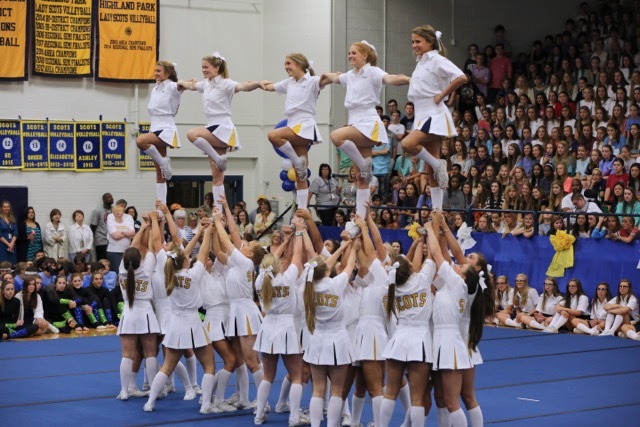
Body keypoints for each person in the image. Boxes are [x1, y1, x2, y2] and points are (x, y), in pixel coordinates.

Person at [322, 41, 410, 217]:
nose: (350, 56)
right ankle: (360, 219)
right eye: (349, 53)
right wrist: (324, 75)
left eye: (354, 53)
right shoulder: (350, 75)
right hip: (354, 121)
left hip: (369, 122)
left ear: (365, 55)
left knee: (336, 136)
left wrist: (410, 79)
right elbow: (334, 78)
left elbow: (390, 79)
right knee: (362, 180)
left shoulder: (373, 72)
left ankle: (364, 165)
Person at [143, 218, 215, 414]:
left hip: (176, 322)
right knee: (209, 365)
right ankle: (206, 404)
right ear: (185, 261)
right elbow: (203, 253)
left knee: (166, 367)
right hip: (193, 322)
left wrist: (154, 222)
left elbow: (159, 243)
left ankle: (150, 402)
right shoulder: (193, 274)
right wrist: (207, 232)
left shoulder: (168, 274)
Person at [180, 53, 261, 211]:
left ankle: (218, 158)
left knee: (192, 134)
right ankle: (219, 212)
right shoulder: (206, 84)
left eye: (206, 67)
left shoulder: (226, 83)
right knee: (217, 177)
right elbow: (192, 86)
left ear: (217, 68)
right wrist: (181, 82)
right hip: (212, 126)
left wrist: (258, 83)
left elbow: (243, 87)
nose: (203, 70)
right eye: (202, 67)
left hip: (223, 127)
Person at [400, 25, 466, 211]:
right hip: (421, 112)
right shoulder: (420, 62)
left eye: (418, 41)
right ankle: (437, 211)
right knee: (430, 172)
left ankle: (439, 164)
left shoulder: (437, 59)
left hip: (433, 112)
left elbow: (461, 77)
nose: (414, 45)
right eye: (413, 41)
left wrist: (442, 94)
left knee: (407, 144)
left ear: (430, 42)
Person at [211, 209, 266, 410]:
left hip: (245, 313)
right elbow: (218, 250)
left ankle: (263, 402)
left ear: (250, 254)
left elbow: (228, 243)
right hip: (236, 312)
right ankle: (243, 398)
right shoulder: (238, 263)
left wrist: (218, 221)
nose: (243, 244)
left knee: (252, 362)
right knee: (241, 361)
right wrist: (214, 230)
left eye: (247, 245)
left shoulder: (246, 262)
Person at [253, 219, 305, 425]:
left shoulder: (260, 279)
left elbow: (271, 261)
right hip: (286, 326)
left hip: (268, 327)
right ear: (277, 266)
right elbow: (298, 257)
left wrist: (286, 239)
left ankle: (258, 415)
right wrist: (298, 234)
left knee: (268, 375)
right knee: (297, 375)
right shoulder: (286, 279)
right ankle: (293, 417)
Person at [260, 53, 327, 210]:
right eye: (285, 64)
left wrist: (334, 76)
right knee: (300, 175)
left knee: (273, 135)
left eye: (288, 63)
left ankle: (297, 162)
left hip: (304, 123)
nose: (286, 67)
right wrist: (260, 83)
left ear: (299, 64)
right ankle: (302, 210)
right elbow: (271, 87)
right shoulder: (288, 82)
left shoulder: (312, 81)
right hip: (293, 123)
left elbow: (326, 80)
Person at [303, 237, 357, 427]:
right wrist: (353, 247)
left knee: (318, 389)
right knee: (337, 389)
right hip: (337, 341)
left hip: (317, 340)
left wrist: (342, 247)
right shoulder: (335, 284)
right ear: (325, 270)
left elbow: (322, 267)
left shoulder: (307, 285)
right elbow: (350, 266)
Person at [115, 213, 160, 401]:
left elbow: (132, 248)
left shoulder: (122, 270)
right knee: (150, 353)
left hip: (129, 313)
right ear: (140, 258)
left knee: (127, 355)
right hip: (146, 314)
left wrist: (142, 228)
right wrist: (149, 227)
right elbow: (152, 247)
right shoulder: (146, 267)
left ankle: (124, 390)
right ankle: (152, 389)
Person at [135, 61, 183, 203]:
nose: (155, 73)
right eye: (155, 71)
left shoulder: (171, 86)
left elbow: (180, 85)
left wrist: (189, 84)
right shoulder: (155, 88)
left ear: (167, 73)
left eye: (158, 71)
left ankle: (163, 162)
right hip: (155, 126)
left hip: (166, 128)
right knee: (160, 174)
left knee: (140, 141)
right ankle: (161, 207)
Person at [107, 205, 135, 273]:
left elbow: (133, 233)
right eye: (115, 211)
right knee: (118, 272)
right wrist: (127, 234)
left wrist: (121, 232)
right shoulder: (111, 220)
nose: (117, 212)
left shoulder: (128, 219)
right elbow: (115, 236)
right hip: (114, 251)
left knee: (127, 271)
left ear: (123, 212)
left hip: (126, 250)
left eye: (119, 211)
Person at [91, 193, 113, 262]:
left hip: (113, 241)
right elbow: (93, 226)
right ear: (103, 199)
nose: (111, 198)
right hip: (101, 240)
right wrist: (94, 239)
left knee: (111, 262)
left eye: (111, 196)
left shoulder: (115, 210)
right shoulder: (97, 211)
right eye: (108, 197)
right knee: (102, 262)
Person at [0, 201, 17, 265]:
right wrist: (8, 244)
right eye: (4, 207)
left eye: (8, 207)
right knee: (3, 263)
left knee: (11, 264)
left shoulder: (12, 218)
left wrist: (11, 243)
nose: (6, 208)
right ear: (1, 208)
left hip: (12, 245)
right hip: (2, 245)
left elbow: (15, 232)